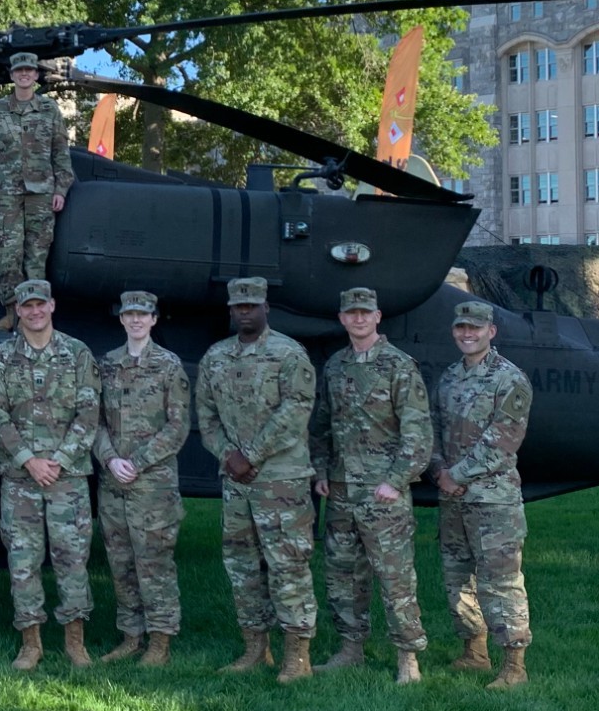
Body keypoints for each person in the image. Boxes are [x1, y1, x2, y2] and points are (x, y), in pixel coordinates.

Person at [197, 276, 320, 682]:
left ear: (266, 307)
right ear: (231, 311)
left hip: (280, 480)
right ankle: (255, 647)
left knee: (288, 564)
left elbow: (295, 411)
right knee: (242, 565)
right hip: (236, 482)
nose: (245, 311)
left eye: (252, 305)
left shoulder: (289, 354)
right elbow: (207, 416)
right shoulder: (216, 357)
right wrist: (227, 456)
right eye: (238, 306)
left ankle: (297, 655)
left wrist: (249, 455)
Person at [313, 286, 433, 684]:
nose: (359, 319)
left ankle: (407, 658)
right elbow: (323, 426)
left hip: (383, 492)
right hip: (342, 489)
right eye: (352, 313)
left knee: (395, 577)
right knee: (343, 575)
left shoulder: (399, 366)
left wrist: (396, 481)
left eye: (366, 312)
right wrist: (320, 471)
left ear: (378, 316)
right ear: (343, 318)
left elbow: (417, 433)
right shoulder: (335, 366)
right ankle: (351, 649)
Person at [0, 278, 99, 670]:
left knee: (72, 560)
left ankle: (75, 641)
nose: (34, 311)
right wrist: (29, 460)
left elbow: (88, 414)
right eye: (26, 306)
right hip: (21, 480)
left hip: (67, 479)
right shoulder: (0, 358)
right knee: (23, 561)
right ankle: (30, 642)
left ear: (52, 306)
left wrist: (60, 460)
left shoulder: (77, 353)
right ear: (18, 310)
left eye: (40, 304)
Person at [432, 300, 535, 690]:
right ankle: (474, 651)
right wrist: (441, 471)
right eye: (461, 327)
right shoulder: (449, 378)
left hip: (493, 500)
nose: (467, 333)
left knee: (500, 580)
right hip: (453, 497)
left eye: (475, 328)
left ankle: (514, 665)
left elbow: (503, 441)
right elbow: (435, 430)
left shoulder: (509, 379)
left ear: (491, 331)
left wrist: (455, 474)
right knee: (457, 577)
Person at [93, 290, 190, 667]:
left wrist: (138, 461)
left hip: (153, 485)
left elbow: (178, 425)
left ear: (153, 319)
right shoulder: (107, 365)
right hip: (114, 481)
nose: (135, 320)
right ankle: (131, 636)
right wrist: (110, 458)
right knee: (120, 562)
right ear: (121, 319)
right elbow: (94, 420)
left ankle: (160, 641)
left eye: (143, 314)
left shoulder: (168, 366)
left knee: (154, 562)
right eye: (129, 314)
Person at [0, 52, 75, 331]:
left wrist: (61, 189)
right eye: (19, 70)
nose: (24, 74)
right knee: (8, 256)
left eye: (29, 70)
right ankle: (12, 312)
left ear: (35, 75)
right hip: (6, 194)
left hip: (42, 194)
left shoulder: (49, 110)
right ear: (12, 75)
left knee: (36, 258)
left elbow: (61, 152)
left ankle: (35, 316)